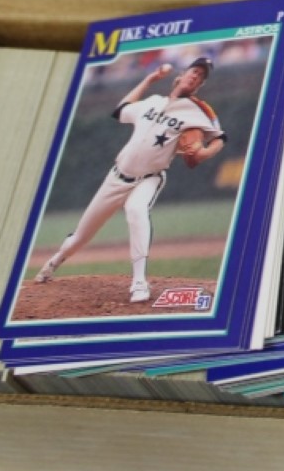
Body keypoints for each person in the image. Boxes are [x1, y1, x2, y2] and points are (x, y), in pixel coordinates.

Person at [34, 57, 226, 303]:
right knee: (81, 236)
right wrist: (149, 79)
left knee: (136, 210)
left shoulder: (197, 110)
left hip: (149, 178)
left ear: (199, 85)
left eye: (201, 76)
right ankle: (54, 262)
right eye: (194, 71)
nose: (196, 76)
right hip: (116, 178)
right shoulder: (152, 102)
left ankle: (139, 282)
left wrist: (205, 153)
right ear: (182, 74)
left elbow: (220, 137)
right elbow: (121, 110)